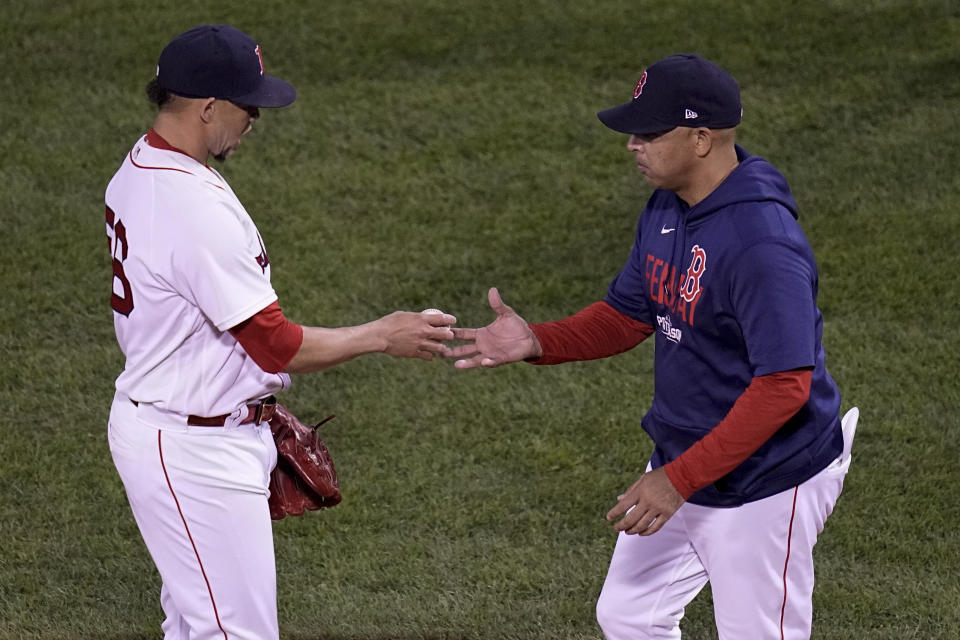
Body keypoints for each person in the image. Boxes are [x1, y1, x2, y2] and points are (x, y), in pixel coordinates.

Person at [445, 53, 852, 639]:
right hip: (685, 459)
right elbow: (630, 312)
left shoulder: (762, 245)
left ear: (702, 139)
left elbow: (785, 386)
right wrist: (539, 340)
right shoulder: (668, 205)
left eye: (650, 132)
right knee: (630, 614)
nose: (632, 144)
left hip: (767, 479)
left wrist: (677, 480)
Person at [103, 25, 456, 640]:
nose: (256, 117)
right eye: (248, 105)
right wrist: (381, 333)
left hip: (183, 423)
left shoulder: (143, 165)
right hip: (191, 447)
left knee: (195, 625)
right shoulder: (191, 208)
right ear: (207, 106)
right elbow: (276, 343)